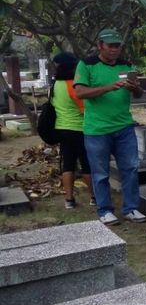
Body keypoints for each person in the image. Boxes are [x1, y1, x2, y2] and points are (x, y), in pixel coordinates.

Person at [74, 28, 146, 226]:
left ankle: (131, 208)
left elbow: (139, 94)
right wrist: (108, 87)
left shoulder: (126, 65)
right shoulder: (87, 65)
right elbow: (79, 92)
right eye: (111, 46)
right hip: (97, 130)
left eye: (117, 46)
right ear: (100, 45)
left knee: (130, 168)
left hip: (124, 126)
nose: (115, 50)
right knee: (100, 173)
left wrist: (135, 88)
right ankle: (105, 210)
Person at [51, 52, 94, 210]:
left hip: (62, 128)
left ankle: (69, 199)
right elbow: (84, 109)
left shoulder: (55, 85)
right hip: (79, 129)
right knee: (86, 164)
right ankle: (94, 197)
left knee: (68, 164)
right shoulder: (73, 85)